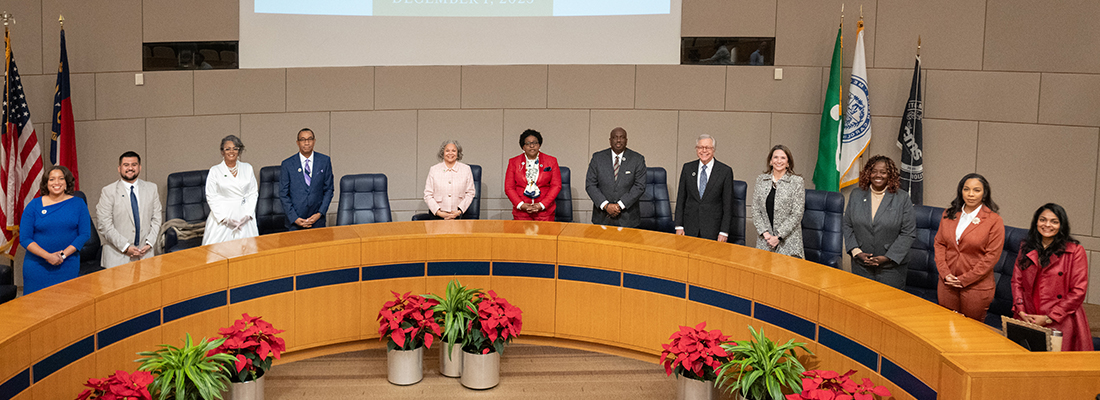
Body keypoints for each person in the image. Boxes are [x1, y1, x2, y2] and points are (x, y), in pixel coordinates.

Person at [1011, 203, 1093, 351]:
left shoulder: (1074, 251)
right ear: (1036, 221)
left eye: (1054, 221)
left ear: (1061, 225)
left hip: (1060, 317)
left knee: (1056, 366)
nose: (1047, 225)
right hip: (1028, 316)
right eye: (1043, 220)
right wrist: (1021, 310)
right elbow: (1016, 282)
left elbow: (1078, 291)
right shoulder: (1026, 247)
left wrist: (1049, 317)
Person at [934, 173, 1004, 323]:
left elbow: (991, 257)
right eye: (966, 189)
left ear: (984, 193)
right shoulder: (949, 214)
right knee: (944, 326)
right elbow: (939, 244)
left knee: (970, 332)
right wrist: (945, 273)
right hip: (947, 282)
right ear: (961, 191)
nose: (971, 194)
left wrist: (964, 279)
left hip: (976, 286)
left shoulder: (994, 220)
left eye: (977, 190)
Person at [841, 155, 915, 288]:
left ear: (890, 175)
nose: (878, 175)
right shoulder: (856, 195)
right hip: (861, 265)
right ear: (868, 173)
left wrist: (888, 257)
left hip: (892, 268)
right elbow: (847, 225)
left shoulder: (902, 198)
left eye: (883, 172)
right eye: (874, 171)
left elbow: (908, 233)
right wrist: (856, 252)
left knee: (888, 306)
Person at [19, 166, 91, 294]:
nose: (56, 182)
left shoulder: (79, 204)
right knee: (35, 307)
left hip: (67, 264)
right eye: (52, 179)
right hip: (37, 266)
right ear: (46, 183)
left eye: (61, 179)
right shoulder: (33, 205)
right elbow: (25, 238)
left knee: (65, 305)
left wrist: (62, 256)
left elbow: (84, 234)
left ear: (66, 182)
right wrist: (47, 256)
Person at [96, 151, 163, 268]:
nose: (130, 168)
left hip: (145, 254)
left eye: (134, 165)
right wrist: (125, 247)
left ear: (139, 167)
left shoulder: (151, 188)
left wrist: (149, 243)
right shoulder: (108, 191)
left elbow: (157, 219)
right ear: (119, 168)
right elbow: (104, 225)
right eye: (126, 165)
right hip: (117, 257)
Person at [675, 134, 734, 241]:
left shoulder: (725, 171)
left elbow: (728, 205)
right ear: (696, 149)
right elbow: (681, 199)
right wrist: (679, 226)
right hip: (689, 229)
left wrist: (724, 231)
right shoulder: (687, 168)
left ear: (714, 150)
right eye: (700, 147)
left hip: (713, 230)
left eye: (707, 147)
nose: (704, 150)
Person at [585, 127, 647, 227]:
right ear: (610, 140)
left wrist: (619, 206)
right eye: (615, 137)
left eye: (622, 137)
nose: (618, 140)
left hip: (628, 218)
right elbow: (590, 185)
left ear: (626, 140)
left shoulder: (637, 159)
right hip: (602, 217)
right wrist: (606, 206)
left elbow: (639, 186)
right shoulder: (597, 158)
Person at [203, 135, 259, 245]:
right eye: (227, 149)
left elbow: (253, 192)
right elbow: (211, 196)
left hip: (245, 215)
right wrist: (224, 219)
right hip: (222, 216)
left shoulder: (247, 168)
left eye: (235, 148)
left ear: (239, 151)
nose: (231, 152)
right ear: (222, 152)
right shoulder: (215, 170)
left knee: (247, 251)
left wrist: (248, 214)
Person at [751, 145, 805, 257]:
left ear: (788, 163)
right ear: (770, 161)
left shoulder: (796, 182)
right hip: (765, 242)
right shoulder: (761, 180)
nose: (779, 161)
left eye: (783, 158)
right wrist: (766, 234)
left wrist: (778, 237)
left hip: (788, 242)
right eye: (775, 157)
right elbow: (755, 210)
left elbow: (797, 213)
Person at [278, 128, 334, 230]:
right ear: (298, 143)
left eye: (310, 139)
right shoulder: (287, 164)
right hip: (295, 222)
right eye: (303, 139)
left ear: (314, 141)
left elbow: (329, 190)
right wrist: (295, 218)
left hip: (317, 221)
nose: (306, 142)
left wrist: (319, 213)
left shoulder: (324, 161)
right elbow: (283, 194)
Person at [504, 129, 562, 221]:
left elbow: (556, 186)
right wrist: (521, 204)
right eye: (527, 143)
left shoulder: (551, 161)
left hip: (545, 212)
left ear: (539, 145)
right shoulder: (513, 162)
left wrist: (542, 205)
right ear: (523, 147)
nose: (531, 146)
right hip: (521, 212)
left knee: (545, 235)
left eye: (535, 143)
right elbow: (509, 187)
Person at [423, 140, 476, 220]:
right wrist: (439, 213)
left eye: (454, 151)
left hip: (459, 216)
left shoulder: (466, 169)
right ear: (442, 153)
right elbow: (428, 194)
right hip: (437, 216)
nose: (450, 153)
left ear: (458, 153)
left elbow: (470, 193)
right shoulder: (434, 170)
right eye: (447, 150)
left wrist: (458, 212)